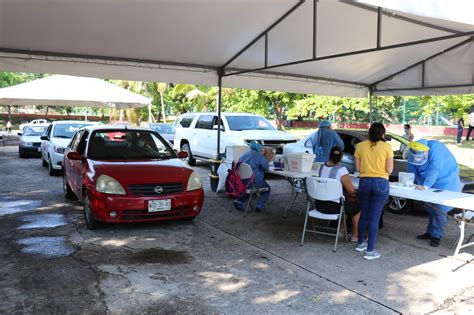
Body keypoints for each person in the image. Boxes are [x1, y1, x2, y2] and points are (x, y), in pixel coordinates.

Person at [407, 140, 461, 247]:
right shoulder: (412, 152)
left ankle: (436, 235)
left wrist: (426, 186)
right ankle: (430, 232)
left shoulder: (436, 148)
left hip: (445, 180)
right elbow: (411, 169)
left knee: (439, 208)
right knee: (430, 206)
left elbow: (435, 168)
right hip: (426, 180)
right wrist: (409, 182)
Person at [354, 123, 394, 260]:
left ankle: (360, 243)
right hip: (381, 183)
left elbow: (358, 168)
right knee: (375, 217)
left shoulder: (360, 146)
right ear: (383, 133)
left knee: (364, 213)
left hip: (364, 182)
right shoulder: (387, 147)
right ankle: (370, 251)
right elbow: (389, 170)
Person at [316, 146, 360, 241]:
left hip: (319, 204)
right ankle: (355, 236)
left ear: (329, 155)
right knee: (357, 206)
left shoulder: (321, 167)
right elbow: (351, 190)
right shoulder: (341, 170)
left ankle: (342, 231)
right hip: (333, 207)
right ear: (341, 158)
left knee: (346, 203)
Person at [233, 141, 273, 212]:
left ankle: (239, 202)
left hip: (243, 182)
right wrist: (265, 157)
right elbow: (266, 167)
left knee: (250, 191)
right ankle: (259, 205)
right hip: (254, 182)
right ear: (259, 148)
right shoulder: (259, 156)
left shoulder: (244, 155)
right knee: (267, 189)